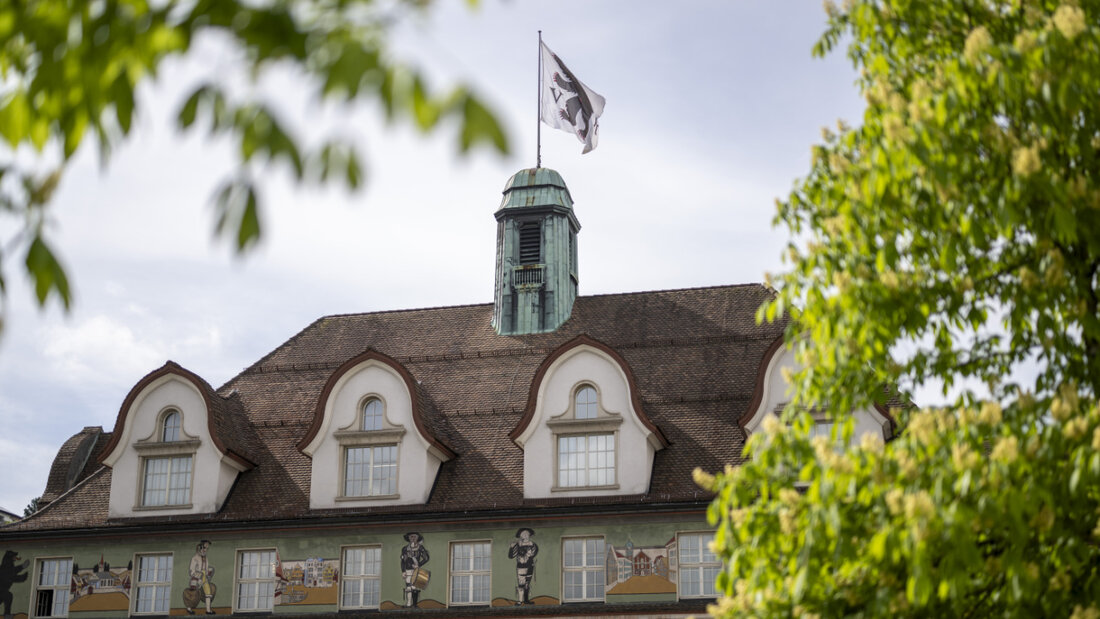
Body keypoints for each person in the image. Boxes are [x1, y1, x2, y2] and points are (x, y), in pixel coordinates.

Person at [508, 528, 538, 605]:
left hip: (530, 566)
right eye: (523, 533)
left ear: (529, 535)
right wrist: (511, 548)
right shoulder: (517, 545)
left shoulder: (533, 545)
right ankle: (520, 600)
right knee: (521, 583)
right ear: (520, 535)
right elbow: (511, 556)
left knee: (527, 583)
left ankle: (526, 600)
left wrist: (528, 554)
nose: (525, 535)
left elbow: (533, 553)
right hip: (521, 566)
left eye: (526, 533)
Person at [400, 532, 429, 608]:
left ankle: (415, 604)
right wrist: (403, 571)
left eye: (414, 537)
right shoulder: (405, 549)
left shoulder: (420, 548)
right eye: (411, 537)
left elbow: (426, 558)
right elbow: (403, 561)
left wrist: (418, 564)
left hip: (416, 570)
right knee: (408, 587)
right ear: (409, 538)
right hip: (408, 569)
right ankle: (409, 604)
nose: (413, 538)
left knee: (414, 587)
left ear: (417, 538)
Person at [187, 540, 215, 615]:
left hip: (204, 576)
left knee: (208, 592)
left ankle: (208, 610)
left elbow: (205, 568)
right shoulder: (195, 558)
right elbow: (191, 571)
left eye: (206, 548)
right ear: (200, 547)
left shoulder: (206, 558)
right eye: (204, 547)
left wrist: (208, 571)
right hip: (197, 576)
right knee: (194, 593)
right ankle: (189, 608)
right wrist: (197, 576)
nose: (205, 550)